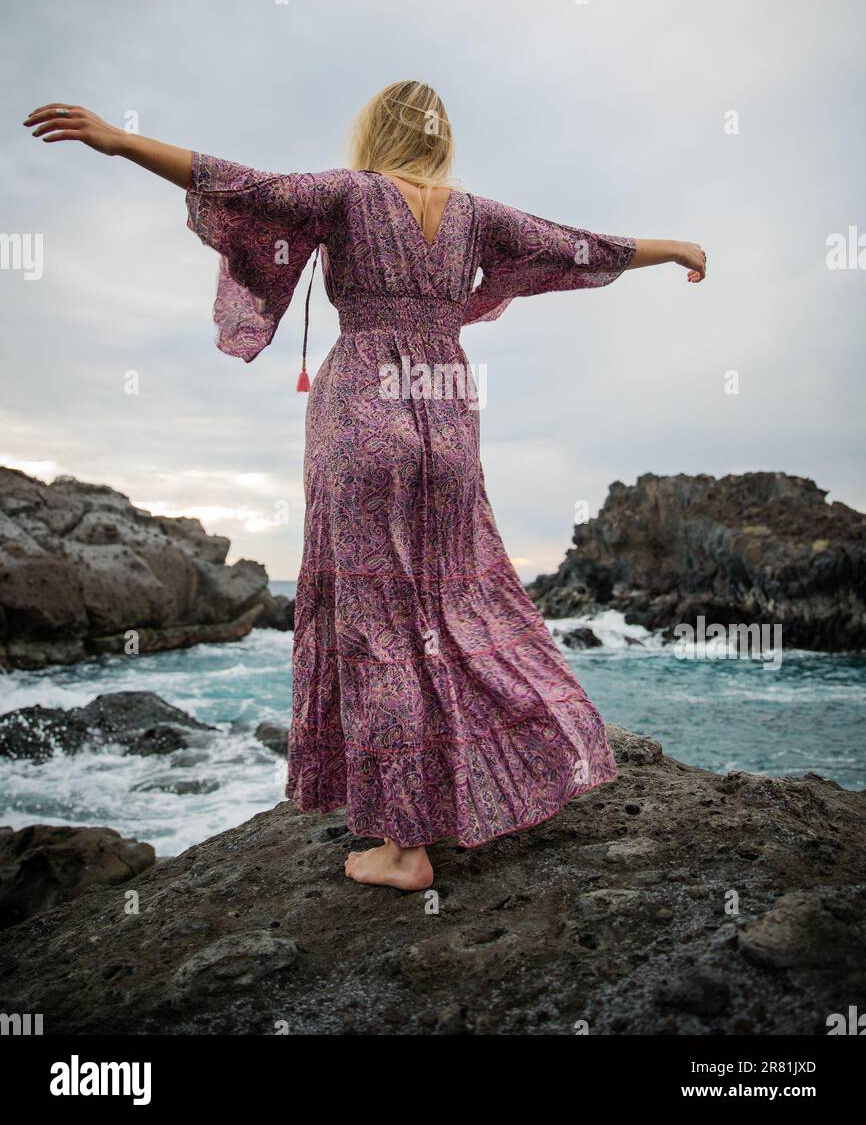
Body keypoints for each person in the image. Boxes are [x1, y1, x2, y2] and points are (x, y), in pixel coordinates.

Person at [24, 81, 706, 891]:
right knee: (457, 602)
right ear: (440, 137)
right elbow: (577, 245)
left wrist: (121, 141)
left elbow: (242, 186)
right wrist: (672, 248)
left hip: (362, 418)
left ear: (375, 132)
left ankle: (403, 846)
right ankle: (517, 762)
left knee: (377, 625)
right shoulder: (476, 213)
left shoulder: (350, 194)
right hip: (449, 415)